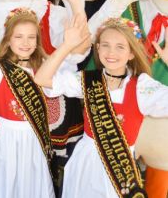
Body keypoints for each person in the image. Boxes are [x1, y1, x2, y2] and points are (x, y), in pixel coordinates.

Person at [0, 0, 89, 198]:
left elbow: (79, 49)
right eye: (19, 37)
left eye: (31, 37)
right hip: (4, 140)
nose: (25, 42)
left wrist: (77, 5)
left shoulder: (46, 67)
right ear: (8, 39)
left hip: (36, 141)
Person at [34, 17, 168, 198]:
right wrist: (66, 46)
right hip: (84, 163)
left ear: (131, 53)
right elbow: (42, 79)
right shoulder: (87, 79)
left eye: (120, 47)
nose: (111, 52)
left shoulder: (142, 86)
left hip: (119, 168)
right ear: (97, 49)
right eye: (105, 45)